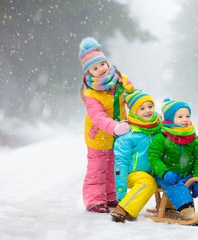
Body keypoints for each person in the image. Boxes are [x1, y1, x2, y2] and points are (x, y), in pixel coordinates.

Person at [148, 98, 198, 225]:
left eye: (187, 116)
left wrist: (197, 177)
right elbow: (153, 157)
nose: (185, 119)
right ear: (170, 120)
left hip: (188, 175)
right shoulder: (162, 138)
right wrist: (165, 173)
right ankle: (187, 212)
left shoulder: (193, 138)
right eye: (180, 116)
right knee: (177, 187)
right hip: (167, 177)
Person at [78, 37, 134, 213]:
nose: (100, 69)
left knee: (114, 167)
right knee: (98, 169)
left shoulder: (120, 80)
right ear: (89, 73)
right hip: (99, 137)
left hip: (119, 135)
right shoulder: (91, 93)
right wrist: (115, 127)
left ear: (107, 63)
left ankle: (111, 196)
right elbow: (98, 117)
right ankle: (94, 199)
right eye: (94, 68)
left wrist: (142, 113)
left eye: (102, 64)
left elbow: (133, 98)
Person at [111, 89, 161, 222]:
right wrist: (121, 195)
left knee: (173, 176)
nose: (148, 111)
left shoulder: (159, 130)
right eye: (142, 108)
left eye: (150, 106)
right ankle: (124, 208)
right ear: (134, 112)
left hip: (154, 171)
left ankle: (171, 207)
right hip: (133, 174)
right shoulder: (128, 136)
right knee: (148, 182)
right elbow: (120, 164)